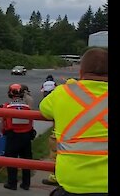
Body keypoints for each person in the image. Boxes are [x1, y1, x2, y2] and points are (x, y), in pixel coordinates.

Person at [39, 48, 108, 195]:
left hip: (72, 182)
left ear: (81, 71)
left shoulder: (63, 93)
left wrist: (72, 86)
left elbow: (44, 109)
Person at [42, 78, 78, 186]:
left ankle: (55, 177)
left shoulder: (62, 92)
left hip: (62, 135)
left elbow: (44, 109)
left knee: (55, 155)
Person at [0, 83, 35, 191]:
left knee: (11, 160)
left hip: (13, 136)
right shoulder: (27, 108)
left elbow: (2, 123)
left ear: (10, 93)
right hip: (26, 136)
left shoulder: (6, 107)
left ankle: (12, 183)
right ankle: (26, 183)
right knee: (26, 161)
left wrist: (3, 132)